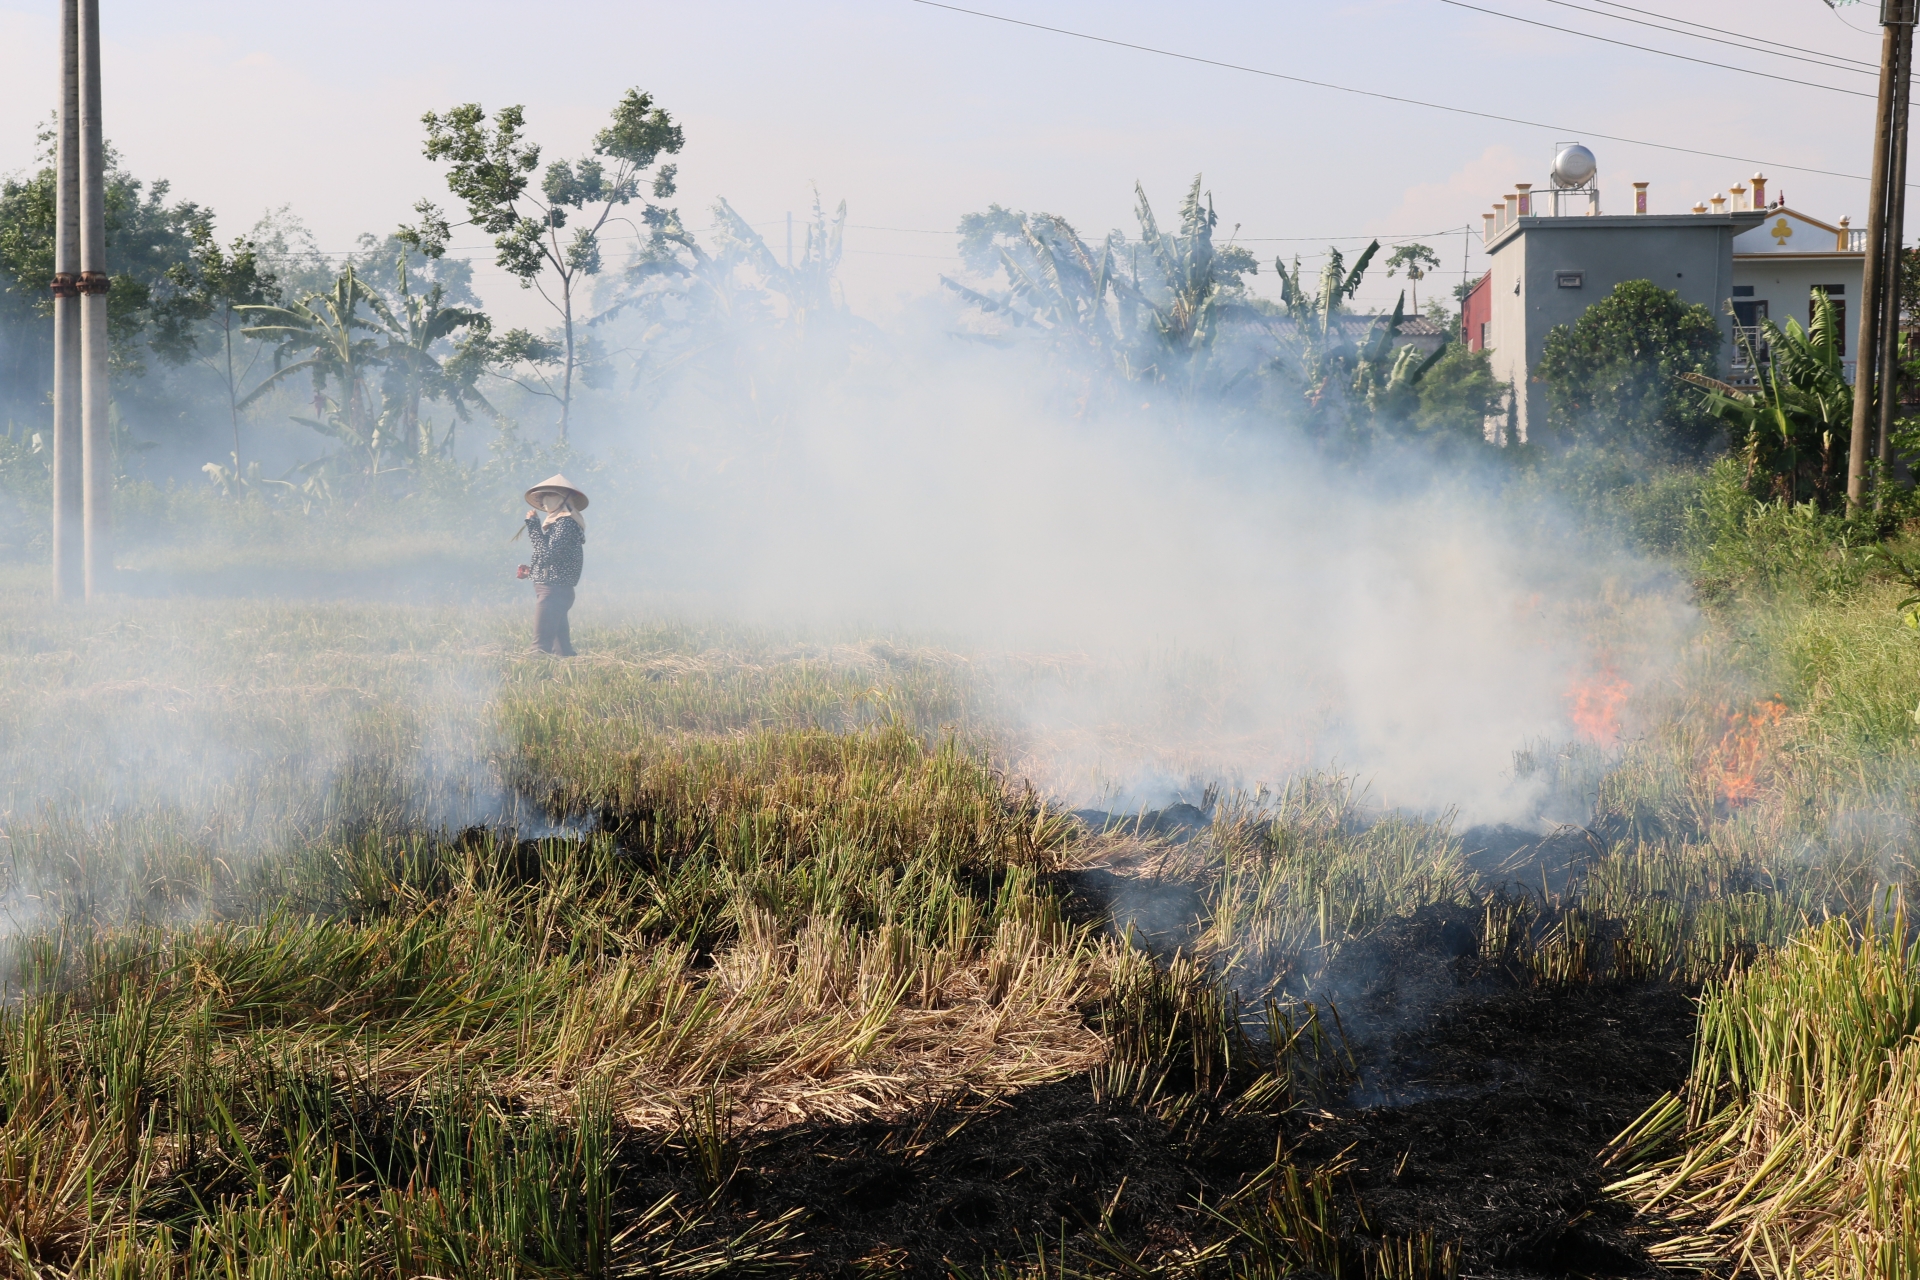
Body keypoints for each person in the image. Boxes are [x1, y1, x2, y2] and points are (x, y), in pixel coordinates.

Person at [521, 473, 588, 655]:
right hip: (554, 589)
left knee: (539, 648)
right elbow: (550, 557)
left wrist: (533, 526)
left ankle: (536, 676)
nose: (543, 501)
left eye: (548, 496)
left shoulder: (565, 523)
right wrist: (532, 571)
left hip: (553, 590)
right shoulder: (559, 523)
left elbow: (547, 555)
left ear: (561, 498)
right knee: (563, 650)